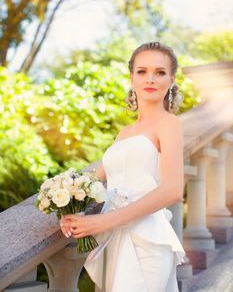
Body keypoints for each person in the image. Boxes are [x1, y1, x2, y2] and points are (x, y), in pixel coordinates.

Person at [60, 41, 186, 292]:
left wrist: (105, 222)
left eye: (160, 72)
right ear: (132, 78)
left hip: (146, 240)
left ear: (171, 79)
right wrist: (68, 207)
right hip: (113, 240)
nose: (150, 79)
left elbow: (172, 190)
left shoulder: (169, 124)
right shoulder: (124, 133)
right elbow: (94, 185)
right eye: (142, 71)